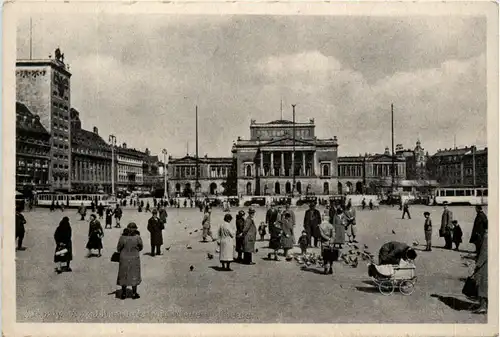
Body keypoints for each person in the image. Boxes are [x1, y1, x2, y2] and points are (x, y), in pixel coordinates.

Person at [116, 223, 143, 300]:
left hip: (124, 258)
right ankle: (134, 293)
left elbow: (118, 248)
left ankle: (123, 294)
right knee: (134, 275)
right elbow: (141, 247)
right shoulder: (137, 237)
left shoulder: (122, 237)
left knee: (124, 275)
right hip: (134, 258)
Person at [472, 220, 488, 314]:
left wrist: (478, 264)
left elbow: (484, 252)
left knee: (482, 284)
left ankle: (483, 306)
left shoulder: (486, 236)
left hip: (484, 264)